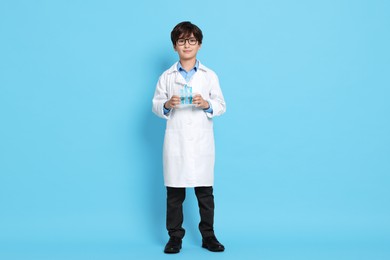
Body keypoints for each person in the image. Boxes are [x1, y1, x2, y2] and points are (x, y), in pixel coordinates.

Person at [152, 21, 226, 254]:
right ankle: (175, 237)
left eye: (191, 41)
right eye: (182, 41)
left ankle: (209, 236)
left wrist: (206, 104)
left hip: (202, 142)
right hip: (176, 141)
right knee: (175, 192)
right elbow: (155, 104)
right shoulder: (167, 76)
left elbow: (221, 105)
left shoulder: (209, 75)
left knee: (205, 193)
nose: (187, 45)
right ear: (175, 46)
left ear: (199, 45)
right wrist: (166, 104)